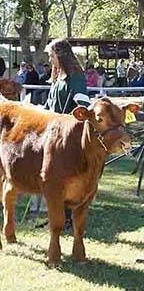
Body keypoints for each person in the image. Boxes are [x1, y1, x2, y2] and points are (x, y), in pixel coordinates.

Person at [39, 38, 88, 230]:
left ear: (60, 55)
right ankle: (56, 215)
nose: (50, 60)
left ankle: (66, 217)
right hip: (53, 133)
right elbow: (49, 105)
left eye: (51, 56)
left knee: (65, 178)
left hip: (69, 136)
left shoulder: (76, 77)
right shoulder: (57, 77)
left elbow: (82, 105)